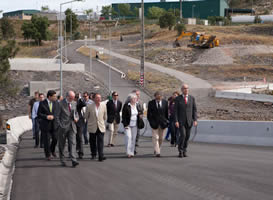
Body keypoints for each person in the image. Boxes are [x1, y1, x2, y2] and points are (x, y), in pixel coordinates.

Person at [174, 84, 197, 158]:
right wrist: (176, 121)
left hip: (189, 121)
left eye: (187, 88)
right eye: (184, 88)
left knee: (187, 137)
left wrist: (195, 119)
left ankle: (184, 150)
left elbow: (194, 110)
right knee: (183, 135)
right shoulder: (178, 99)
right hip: (181, 121)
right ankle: (180, 151)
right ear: (182, 90)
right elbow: (175, 111)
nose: (186, 89)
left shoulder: (192, 98)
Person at [58, 91, 79, 167]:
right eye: (71, 98)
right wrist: (60, 126)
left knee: (73, 143)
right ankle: (62, 160)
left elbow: (76, 113)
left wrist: (76, 117)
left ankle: (74, 160)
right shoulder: (60, 104)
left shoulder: (74, 103)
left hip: (72, 126)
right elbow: (57, 116)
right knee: (62, 144)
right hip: (63, 127)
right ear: (67, 96)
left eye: (73, 98)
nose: (72, 99)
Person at [85, 93, 107, 162]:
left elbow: (105, 116)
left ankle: (100, 155)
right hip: (92, 126)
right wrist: (91, 121)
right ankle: (93, 154)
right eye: (97, 97)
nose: (99, 99)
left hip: (101, 126)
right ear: (94, 99)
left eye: (100, 97)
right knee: (92, 141)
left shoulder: (103, 106)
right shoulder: (89, 106)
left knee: (100, 141)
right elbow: (86, 116)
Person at [37, 90, 59, 161]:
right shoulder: (42, 103)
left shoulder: (56, 103)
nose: (55, 97)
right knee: (46, 141)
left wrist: (54, 116)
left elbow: (57, 112)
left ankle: (52, 150)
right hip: (45, 125)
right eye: (54, 96)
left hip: (54, 125)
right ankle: (48, 154)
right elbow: (39, 114)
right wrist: (46, 116)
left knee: (55, 139)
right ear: (49, 96)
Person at [147, 91, 168, 157]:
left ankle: (157, 148)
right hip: (154, 124)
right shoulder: (151, 103)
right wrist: (151, 122)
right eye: (157, 96)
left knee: (161, 138)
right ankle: (158, 152)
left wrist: (167, 121)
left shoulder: (165, 102)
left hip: (163, 124)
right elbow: (149, 114)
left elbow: (166, 113)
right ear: (155, 96)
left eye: (160, 96)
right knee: (155, 137)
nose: (159, 98)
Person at [122, 93, 143, 158]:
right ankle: (128, 152)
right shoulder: (126, 106)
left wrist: (140, 115)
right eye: (134, 98)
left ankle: (132, 151)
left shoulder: (137, 105)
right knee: (128, 137)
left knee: (133, 138)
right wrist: (125, 124)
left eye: (136, 98)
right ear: (130, 99)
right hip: (128, 124)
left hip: (135, 124)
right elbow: (124, 116)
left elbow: (140, 111)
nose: (135, 99)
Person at [75, 93, 86, 159]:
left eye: (76, 97)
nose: (75, 98)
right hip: (71, 122)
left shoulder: (79, 103)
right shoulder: (70, 103)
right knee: (72, 138)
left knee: (79, 137)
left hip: (79, 122)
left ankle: (80, 153)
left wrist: (80, 98)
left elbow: (84, 104)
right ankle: (72, 152)